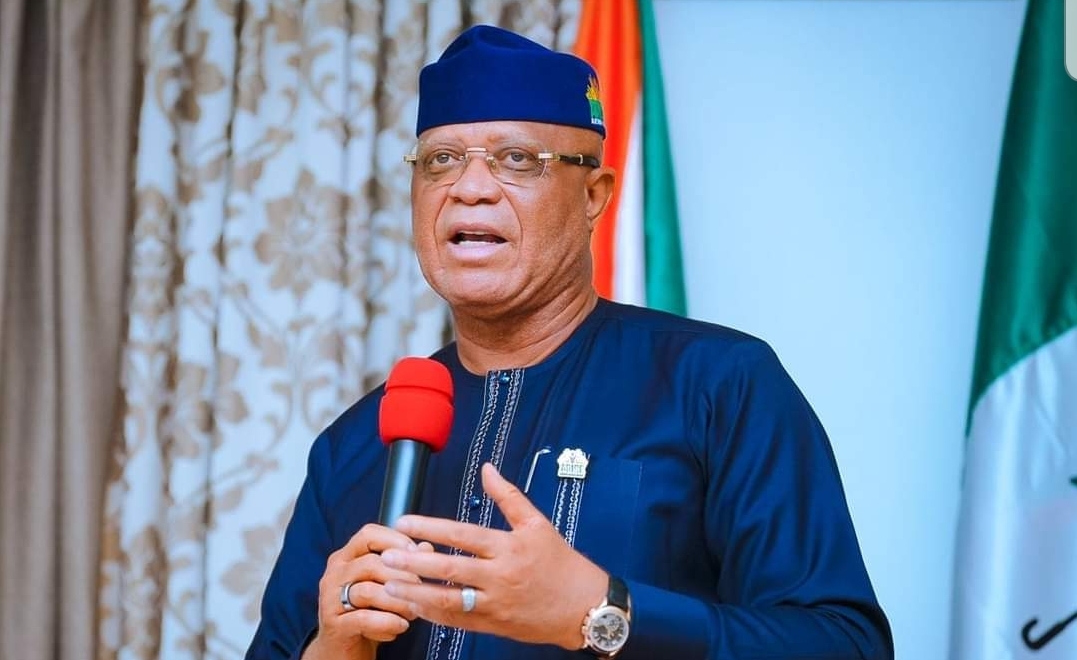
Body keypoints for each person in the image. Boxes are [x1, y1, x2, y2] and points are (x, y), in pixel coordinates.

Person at [246, 24, 894, 660]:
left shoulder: (719, 385)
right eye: (441, 160)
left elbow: (845, 645)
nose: (469, 188)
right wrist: (334, 649)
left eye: (517, 159)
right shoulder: (354, 444)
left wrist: (600, 611)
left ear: (593, 195)